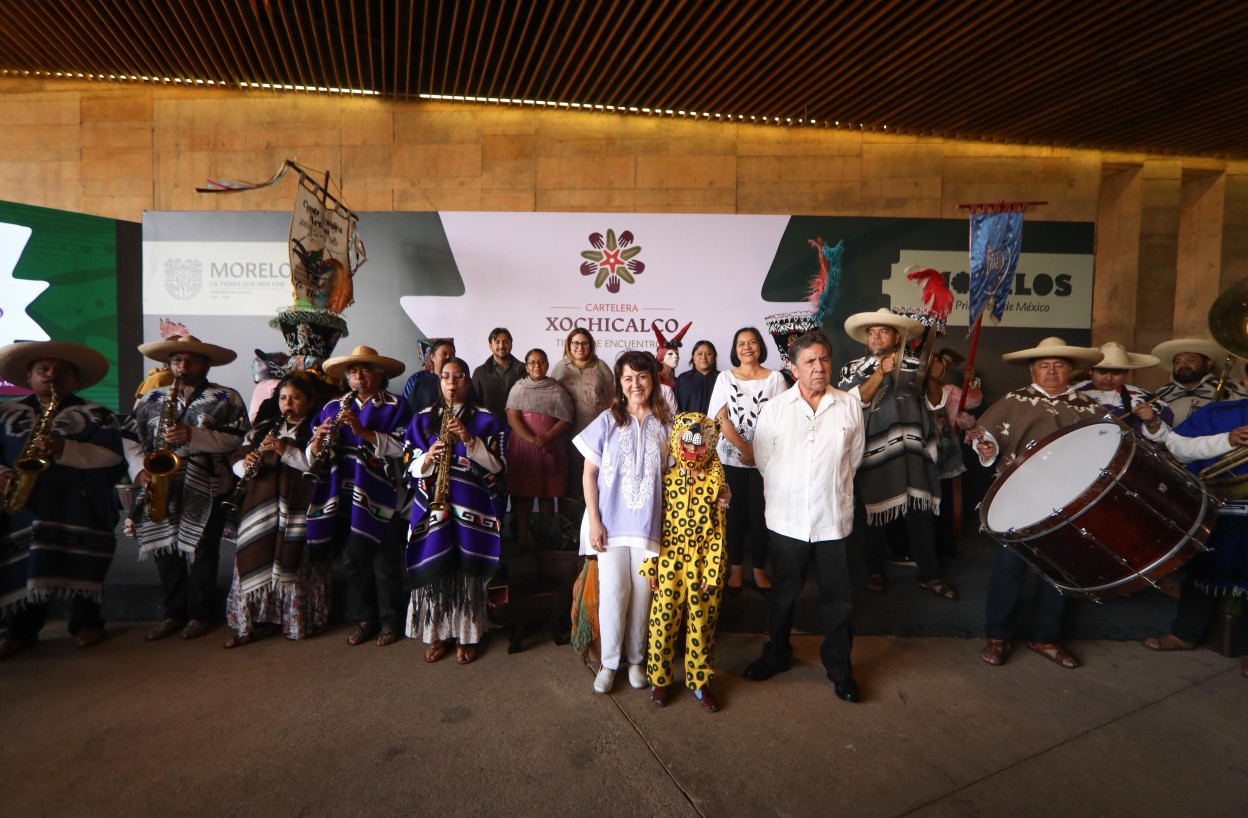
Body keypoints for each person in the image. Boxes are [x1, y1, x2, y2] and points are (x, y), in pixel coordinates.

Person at [742, 331, 866, 702]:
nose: (819, 367)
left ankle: (840, 668)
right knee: (783, 595)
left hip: (833, 520)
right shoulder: (776, 408)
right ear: (794, 368)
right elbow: (764, 460)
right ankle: (777, 654)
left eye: (824, 359)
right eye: (810, 361)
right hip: (787, 520)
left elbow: (853, 459)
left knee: (838, 601)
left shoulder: (849, 405)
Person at [972, 337, 1105, 669]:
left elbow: (1107, 445)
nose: (1051, 371)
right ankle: (998, 636)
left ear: (1070, 371)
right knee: (1009, 568)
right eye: (1044, 365)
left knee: (1059, 570)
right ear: (1032, 371)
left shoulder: (1087, 406)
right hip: (1019, 496)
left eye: (1058, 365)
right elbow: (988, 438)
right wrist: (986, 448)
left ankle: (1046, 638)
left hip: (1069, 500)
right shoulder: (1015, 400)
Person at [0, 342, 123, 659]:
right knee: (23, 563)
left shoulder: (98, 414)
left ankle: (86, 623)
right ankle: (21, 630)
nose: (51, 375)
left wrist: (63, 448)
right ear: (28, 376)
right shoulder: (6, 412)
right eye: (43, 369)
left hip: (78, 505)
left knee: (82, 563)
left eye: (61, 371)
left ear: (76, 380)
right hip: (23, 506)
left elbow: (112, 457)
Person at [124, 335, 249, 642]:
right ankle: (173, 613)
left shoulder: (226, 397)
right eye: (177, 360)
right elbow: (129, 437)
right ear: (169, 364)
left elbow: (238, 438)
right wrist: (140, 470)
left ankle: (200, 614)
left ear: (206, 364)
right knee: (165, 549)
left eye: (191, 360)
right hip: (160, 481)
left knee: (204, 550)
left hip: (207, 481)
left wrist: (193, 435)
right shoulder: (151, 398)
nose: (183, 366)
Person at [838, 308, 956, 600]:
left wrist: (931, 377)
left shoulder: (916, 364)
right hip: (871, 451)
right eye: (872, 332)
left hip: (912, 448)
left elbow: (935, 402)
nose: (877, 336)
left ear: (896, 337)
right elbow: (852, 403)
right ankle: (874, 571)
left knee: (920, 515)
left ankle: (929, 575)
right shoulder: (853, 368)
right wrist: (880, 372)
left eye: (884, 331)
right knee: (871, 514)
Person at [576, 350, 672, 694]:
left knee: (644, 598)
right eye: (628, 378)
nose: (635, 384)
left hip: (649, 527)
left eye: (642, 376)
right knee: (613, 594)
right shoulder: (607, 420)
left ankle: (636, 660)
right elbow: (589, 474)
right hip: (611, 526)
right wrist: (594, 521)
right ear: (619, 382)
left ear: (653, 380)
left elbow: (679, 475)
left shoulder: (668, 424)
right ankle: (609, 662)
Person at [306, 345, 413, 647]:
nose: (359, 376)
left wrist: (363, 432)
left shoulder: (397, 405)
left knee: (384, 564)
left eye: (366, 370)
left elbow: (406, 447)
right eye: (353, 371)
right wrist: (317, 443)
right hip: (344, 494)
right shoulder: (333, 407)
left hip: (383, 495)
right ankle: (364, 618)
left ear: (381, 375)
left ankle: (390, 620)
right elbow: (311, 453)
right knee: (352, 561)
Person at [404, 357, 508, 665]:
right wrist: (427, 458)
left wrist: (469, 439)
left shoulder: (488, 420)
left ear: (468, 382)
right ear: (439, 382)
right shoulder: (422, 419)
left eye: (459, 376)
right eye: (446, 377)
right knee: (436, 570)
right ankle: (439, 634)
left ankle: (466, 636)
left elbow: (498, 467)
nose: (452, 382)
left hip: (472, 508)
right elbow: (408, 463)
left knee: (466, 572)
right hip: (433, 508)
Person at [1135, 399, 1248, 679]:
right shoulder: (1218, 412)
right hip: (1220, 509)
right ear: (1246, 382)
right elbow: (1177, 447)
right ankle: (1184, 635)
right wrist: (1227, 440)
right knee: (1202, 572)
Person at [222, 372, 331, 647]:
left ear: (310, 401)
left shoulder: (317, 429)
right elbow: (236, 459)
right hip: (259, 507)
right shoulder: (263, 428)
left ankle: (293, 621)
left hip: (297, 510)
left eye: (295, 398)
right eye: (283, 398)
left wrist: (285, 450)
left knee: (293, 563)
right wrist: (245, 464)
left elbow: (316, 468)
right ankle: (255, 623)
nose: (288, 404)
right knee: (255, 555)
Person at [643, 412, 730, 712]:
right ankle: (659, 680)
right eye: (687, 445)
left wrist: (713, 570)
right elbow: (653, 526)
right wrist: (651, 565)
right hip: (669, 562)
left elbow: (718, 532)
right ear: (677, 444)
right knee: (662, 623)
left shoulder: (715, 485)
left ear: (709, 446)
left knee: (702, 625)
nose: (692, 452)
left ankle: (700, 683)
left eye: (699, 446)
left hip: (702, 565)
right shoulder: (665, 482)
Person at [707, 327, 787, 595]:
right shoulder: (725, 378)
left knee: (761, 515)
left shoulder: (775, 378)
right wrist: (746, 449)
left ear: (760, 346)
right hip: (731, 458)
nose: (747, 347)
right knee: (734, 515)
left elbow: (782, 420)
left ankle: (759, 569)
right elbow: (720, 418)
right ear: (735, 349)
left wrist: (757, 452)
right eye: (741, 343)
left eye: (752, 342)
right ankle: (736, 569)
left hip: (766, 460)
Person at [505, 349, 574, 552]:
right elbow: (512, 418)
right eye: (532, 363)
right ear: (526, 367)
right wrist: (533, 440)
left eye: (541, 362)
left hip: (549, 448)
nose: (537, 366)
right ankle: (523, 538)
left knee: (546, 493)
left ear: (547, 365)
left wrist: (546, 437)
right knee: (524, 495)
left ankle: (545, 536)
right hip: (523, 449)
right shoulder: (518, 388)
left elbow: (566, 418)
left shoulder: (557, 390)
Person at [551, 328, 614, 540]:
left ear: (591, 345)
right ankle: (568, 533)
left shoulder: (601, 367)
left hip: (596, 435)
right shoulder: (560, 368)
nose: (580, 347)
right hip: (565, 434)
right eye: (575, 343)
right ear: (568, 345)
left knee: (594, 481)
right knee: (568, 481)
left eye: (584, 343)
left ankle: (593, 529)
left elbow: (612, 401)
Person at [1076, 341, 1174, 435]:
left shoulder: (1145, 398)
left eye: (1116, 372)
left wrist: (1152, 421)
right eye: (1102, 371)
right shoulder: (1073, 395)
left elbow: (1168, 439)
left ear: (1125, 373)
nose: (1108, 378)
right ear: (1091, 370)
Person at [1150, 337, 1248, 425]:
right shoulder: (1161, 393)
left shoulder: (1232, 387)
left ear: (1208, 363)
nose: (1182, 365)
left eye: (1190, 360)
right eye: (1177, 361)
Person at [471, 327, 526, 419]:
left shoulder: (525, 369)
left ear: (511, 344)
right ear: (490, 346)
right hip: (490, 424)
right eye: (497, 342)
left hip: (520, 423)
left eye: (505, 342)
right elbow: (474, 403)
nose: (501, 346)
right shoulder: (479, 373)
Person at [406, 338, 456, 414]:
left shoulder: (460, 381)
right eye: (444, 354)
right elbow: (410, 413)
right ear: (432, 357)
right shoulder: (421, 383)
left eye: (452, 355)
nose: (449, 358)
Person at [674, 340, 718, 414]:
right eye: (699, 354)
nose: (703, 357)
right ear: (693, 357)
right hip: (686, 421)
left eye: (708, 354)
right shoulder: (683, 379)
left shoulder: (722, 378)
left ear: (714, 357)